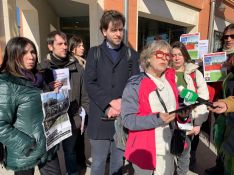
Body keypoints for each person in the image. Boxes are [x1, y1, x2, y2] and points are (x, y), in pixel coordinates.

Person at [84, 10, 140, 175]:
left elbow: (135, 84)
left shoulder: (131, 54)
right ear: (104, 31)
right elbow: (90, 83)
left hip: (122, 119)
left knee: (117, 164)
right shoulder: (94, 53)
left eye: (120, 29)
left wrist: (122, 104)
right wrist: (110, 103)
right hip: (100, 117)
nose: (118, 34)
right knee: (98, 164)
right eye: (113, 30)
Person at [0, 37, 61, 175]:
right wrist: (28, 144)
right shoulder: (7, 84)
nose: (31, 57)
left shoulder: (39, 78)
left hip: (48, 146)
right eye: (24, 53)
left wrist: (51, 92)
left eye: (33, 52)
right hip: (25, 151)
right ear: (13, 55)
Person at [121, 40, 178, 175]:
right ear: (147, 58)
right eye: (159, 54)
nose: (164, 57)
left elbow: (174, 107)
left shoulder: (170, 80)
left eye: (167, 55)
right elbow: (128, 120)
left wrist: (183, 114)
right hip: (146, 151)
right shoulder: (135, 84)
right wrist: (157, 119)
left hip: (168, 149)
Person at [38, 31, 89, 175]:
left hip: (72, 120)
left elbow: (85, 95)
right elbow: (35, 96)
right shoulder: (42, 69)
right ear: (50, 46)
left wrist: (80, 118)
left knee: (70, 154)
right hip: (52, 122)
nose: (64, 47)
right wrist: (48, 88)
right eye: (60, 44)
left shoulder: (77, 67)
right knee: (53, 158)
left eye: (65, 43)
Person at [171, 41, 209, 174]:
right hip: (169, 120)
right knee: (167, 153)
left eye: (179, 55)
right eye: (173, 55)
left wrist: (198, 123)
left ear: (185, 56)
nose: (176, 58)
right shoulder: (165, 72)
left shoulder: (195, 73)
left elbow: (203, 99)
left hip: (188, 120)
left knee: (184, 154)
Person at [206, 23, 234, 175]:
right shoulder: (218, 55)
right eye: (225, 36)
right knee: (218, 137)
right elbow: (210, 78)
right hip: (220, 105)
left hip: (231, 108)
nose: (228, 39)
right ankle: (220, 165)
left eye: (232, 36)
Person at [68, 35, 87, 168]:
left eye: (82, 45)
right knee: (75, 137)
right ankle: (79, 163)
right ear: (73, 48)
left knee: (80, 133)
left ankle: (81, 160)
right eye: (79, 46)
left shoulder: (82, 62)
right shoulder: (72, 63)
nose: (82, 48)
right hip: (75, 105)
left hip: (82, 103)